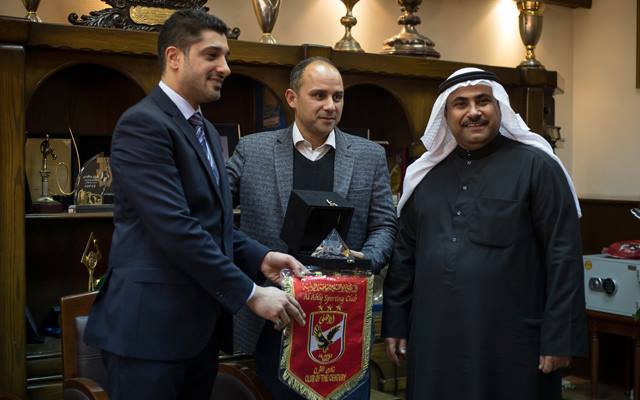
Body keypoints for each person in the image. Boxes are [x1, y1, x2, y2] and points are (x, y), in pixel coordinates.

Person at [84, 10, 306, 400]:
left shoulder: (202, 127)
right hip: (149, 337)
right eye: (211, 55)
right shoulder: (143, 125)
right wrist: (251, 293)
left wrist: (260, 257)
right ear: (174, 57)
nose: (226, 68)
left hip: (196, 336)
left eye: (226, 57)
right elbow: (176, 228)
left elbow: (209, 222)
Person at [382, 67, 587, 400]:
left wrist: (560, 338)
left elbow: (563, 257)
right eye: (460, 104)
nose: (473, 112)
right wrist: (395, 322)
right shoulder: (424, 176)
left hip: (513, 343)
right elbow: (404, 257)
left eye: (483, 101)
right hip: (434, 340)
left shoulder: (538, 168)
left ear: (499, 107)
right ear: (446, 115)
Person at [226, 56, 398, 399]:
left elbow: (385, 225)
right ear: (292, 98)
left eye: (338, 96)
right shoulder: (252, 150)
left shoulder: (369, 155)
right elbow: (213, 215)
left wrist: (364, 259)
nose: (330, 106)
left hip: (344, 321)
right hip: (273, 316)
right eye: (319, 95)